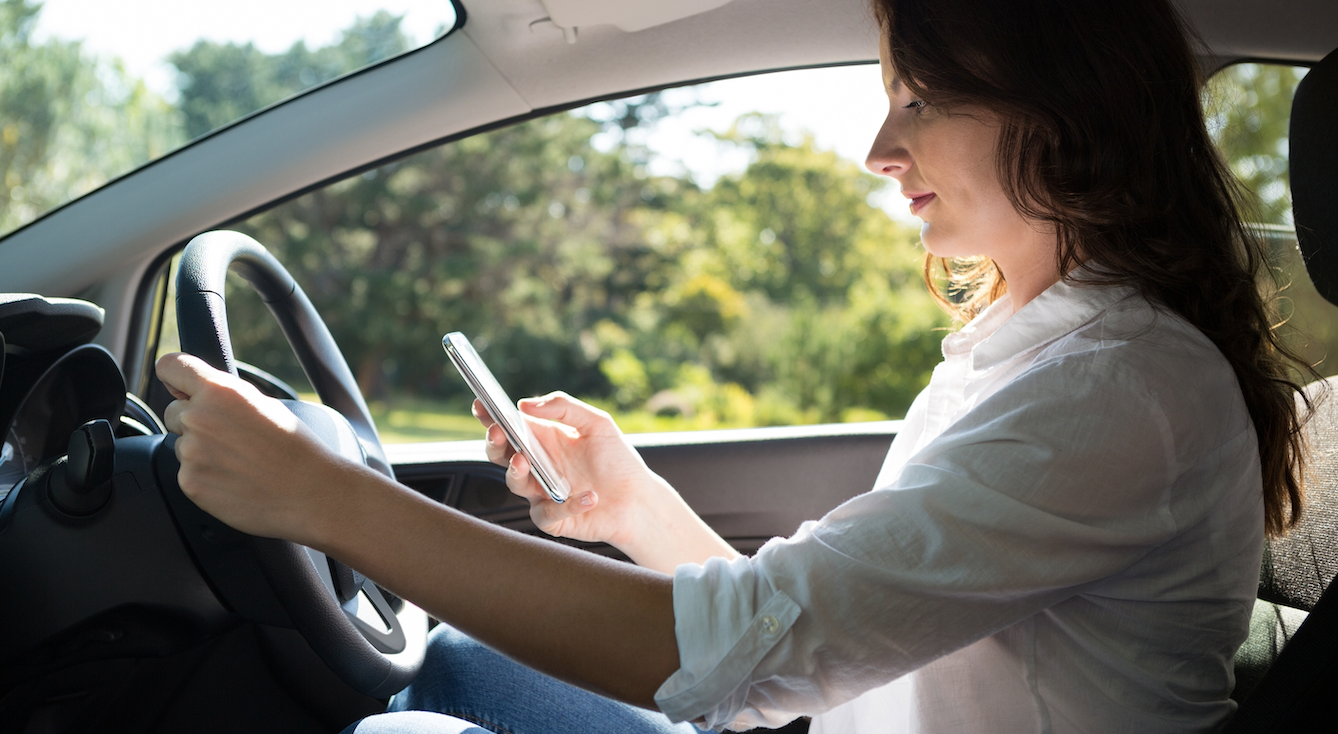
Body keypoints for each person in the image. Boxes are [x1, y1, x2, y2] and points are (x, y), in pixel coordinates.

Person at [153, 0, 1315, 731]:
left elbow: (746, 656)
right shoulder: (1030, 352)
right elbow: (818, 644)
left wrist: (327, 499)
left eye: (920, 98)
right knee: (450, 663)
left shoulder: (1120, 389)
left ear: (1062, 113)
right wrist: (632, 503)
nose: (877, 149)